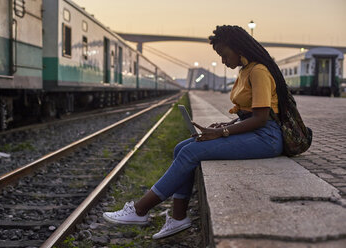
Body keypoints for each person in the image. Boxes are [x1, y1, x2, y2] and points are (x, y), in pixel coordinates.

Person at [103, 25, 290, 239]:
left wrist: (223, 133)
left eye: (223, 54)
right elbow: (248, 114)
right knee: (181, 147)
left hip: (267, 137)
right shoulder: (245, 71)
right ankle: (178, 217)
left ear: (238, 48)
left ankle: (139, 210)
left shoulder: (258, 71)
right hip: (255, 132)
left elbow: (261, 118)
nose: (222, 61)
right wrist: (224, 125)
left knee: (192, 152)